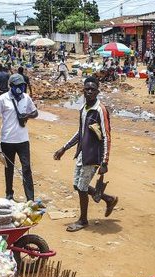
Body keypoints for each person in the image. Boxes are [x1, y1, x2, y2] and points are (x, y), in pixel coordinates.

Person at [53, 77, 118, 232]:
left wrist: (105, 162)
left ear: (97, 91)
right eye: (87, 89)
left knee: (82, 188)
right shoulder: (83, 108)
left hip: (94, 155)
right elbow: (80, 132)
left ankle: (83, 220)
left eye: (92, 89)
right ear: (83, 90)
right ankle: (108, 199)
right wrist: (64, 148)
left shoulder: (100, 110)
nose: (89, 92)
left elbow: (107, 136)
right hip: (83, 153)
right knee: (77, 185)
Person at [0, 74, 39, 201]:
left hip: (23, 140)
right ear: (11, 86)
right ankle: (9, 194)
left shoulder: (26, 97)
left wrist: (27, 115)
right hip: (7, 140)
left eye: (21, 86)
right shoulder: (2, 99)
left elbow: (35, 112)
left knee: (27, 168)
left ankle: (30, 198)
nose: (19, 88)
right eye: (17, 86)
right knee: (9, 168)